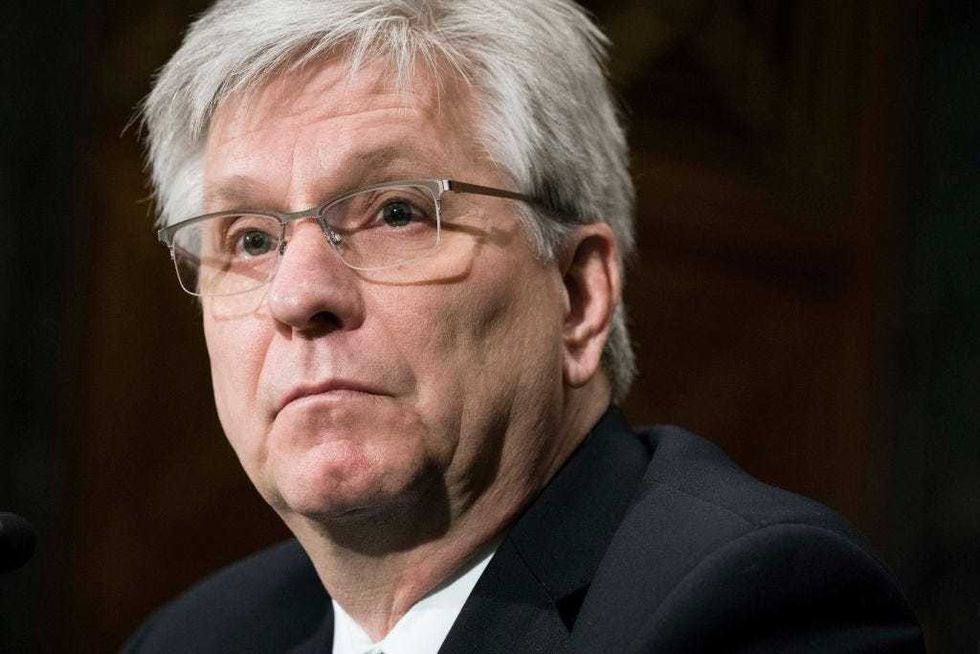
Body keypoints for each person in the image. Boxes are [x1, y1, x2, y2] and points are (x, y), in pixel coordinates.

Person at [125, 1, 924, 652]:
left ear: (578, 296)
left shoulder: (750, 605)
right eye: (251, 240)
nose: (299, 295)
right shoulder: (196, 636)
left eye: (397, 212)